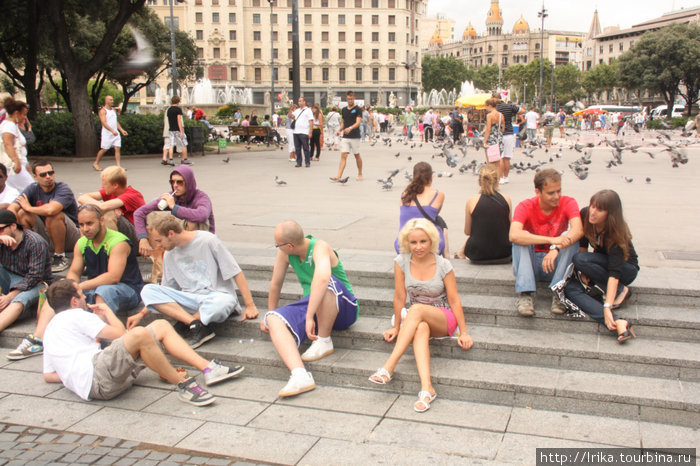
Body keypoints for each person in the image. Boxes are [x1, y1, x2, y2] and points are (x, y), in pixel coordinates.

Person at [42, 279, 244, 406]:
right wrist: (107, 311)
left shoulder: (51, 328)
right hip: (98, 376)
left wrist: (74, 377)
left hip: (97, 380)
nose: (85, 298)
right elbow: (121, 334)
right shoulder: (76, 314)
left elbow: (49, 375)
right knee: (139, 334)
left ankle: (208, 369)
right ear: (74, 302)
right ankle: (183, 385)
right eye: (81, 295)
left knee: (161, 326)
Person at [369, 219, 473, 412]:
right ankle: (427, 389)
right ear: (407, 243)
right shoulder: (401, 262)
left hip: (443, 317)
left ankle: (389, 367)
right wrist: (396, 326)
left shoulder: (443, 265)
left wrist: (464, 332)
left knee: (416, 309)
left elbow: (455, 300)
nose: (418, 247)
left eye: (423, 241)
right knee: (420, 327)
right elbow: (400, 296)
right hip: (417, 319)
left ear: (431, 241)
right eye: (413, 242)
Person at [262, 220, 358, 397]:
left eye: (278, 245)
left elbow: (322, 279)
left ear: (289, 245)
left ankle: (324, 340)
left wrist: (308, 317)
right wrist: (269, 311)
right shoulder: (285, 253)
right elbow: (276, 283)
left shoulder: (320, 246)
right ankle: (299, 374)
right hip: (313, 306)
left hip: (342, 306)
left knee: (324, 282)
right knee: (273, 318)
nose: (277, 247)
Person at [132, 214, 258, 349]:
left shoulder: (207, 240)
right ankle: (194, 323)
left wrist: (250, 305)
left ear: (171, 233)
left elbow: (235, 272)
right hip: (190, 299)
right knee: (148, 290)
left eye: (159, 240)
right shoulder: (169, 254)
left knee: (225, 302)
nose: (158, 245)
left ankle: (188, 322)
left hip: (215, 296)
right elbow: (166, 289)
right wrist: (141, 314)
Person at [562, 190, 639, 343]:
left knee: (580, 259)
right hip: (599, 266)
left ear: (610, 214)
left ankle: (621, 290)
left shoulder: (616, 234)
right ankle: (618, 322)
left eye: (600, 209)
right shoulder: (585, 215)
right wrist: (583, 273)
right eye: (592, 206)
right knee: (570, 289)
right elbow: (583, 245)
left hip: (624, 270)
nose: (593, 212)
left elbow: (614, 274)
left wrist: (607, 305)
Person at [509, 169, 583, 317]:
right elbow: (513, 234)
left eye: (559, 191)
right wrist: (550, 240)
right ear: (538, 191)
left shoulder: (568, 202)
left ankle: (558, 291)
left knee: (569, 237)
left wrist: (555, 247)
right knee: (522, 237)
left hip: (556, 264)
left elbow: (578, 230)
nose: (557, 196)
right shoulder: (525, 206)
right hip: (531, 265)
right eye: (551, 193)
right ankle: (526, 293)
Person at [134, 165, 214, 283]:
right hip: (176, 237)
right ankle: (161, 269)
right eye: (172, 181)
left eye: (180, 182)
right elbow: (139, 213)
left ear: (188, 182)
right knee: (151, 216)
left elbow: (202, 215)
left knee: (192, 221)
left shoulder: (201, 197)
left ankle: (189, 267)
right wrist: (142, 238)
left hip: (201, 241)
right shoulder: (171, 196)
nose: (175, 185)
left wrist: (173, 207)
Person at [9, 161, 80, 273]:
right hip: (47, 234)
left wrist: (29, 208)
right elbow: (12, 209)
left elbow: (51, 210)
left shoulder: (63, 188)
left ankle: (60, 257)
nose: (48, 177)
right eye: (43, 174)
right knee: (22, 214)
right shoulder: (32, 188)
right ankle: (31, 251)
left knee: (53, 215)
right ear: (35, 177)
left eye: (50, 173)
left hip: (71, 237)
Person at [0, 209, 51, 334]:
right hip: (10, 275)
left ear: (13, 226)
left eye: (1, 230)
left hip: (37, 283)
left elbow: (34, 276)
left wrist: (9, 297)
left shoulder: (35, 242)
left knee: (19, 300)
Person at [77, 166, 145, 245]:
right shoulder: (110, 192)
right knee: (88, 212)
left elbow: (102, 207)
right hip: (123, 233)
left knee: (108, 212)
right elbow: (82, 198)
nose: (102, 186)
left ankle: (111, 250)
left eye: (104, 184)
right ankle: (86, 249)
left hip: (138, 239)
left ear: (115, 185)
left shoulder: (132, 195)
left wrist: (109, 208)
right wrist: (110, 207)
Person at [457, 166, 512, 263]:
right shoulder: (506, 199)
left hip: (477, 253)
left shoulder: (471, 201)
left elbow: (467, 231)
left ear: (479, 182)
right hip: (504, 252)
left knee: (477, 233)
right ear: (497, 181)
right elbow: (510, 227)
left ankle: (461, 253)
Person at [394, 162, 448, 257]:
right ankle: (446, 256)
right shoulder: (438, 194)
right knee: (440, 221)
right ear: (431, 178)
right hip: (428, 247)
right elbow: (434, 215)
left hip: (402, 245)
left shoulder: (404, 194)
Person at [0, 97, 34, 191]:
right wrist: (16, 161)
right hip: (12, 166)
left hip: (16, 164)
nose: (24, 117)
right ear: (16, 113)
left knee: (17, 190)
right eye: (24, 114)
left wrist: (24, 163)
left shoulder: (11, 125)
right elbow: (8, 144)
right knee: (32, 188)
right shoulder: (9, 126)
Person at [331, 91, 363, 181]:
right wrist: (339, 130)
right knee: (343, 155)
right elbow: (343, 123)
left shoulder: (358, 109)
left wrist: (350, 128)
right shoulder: (344, 109)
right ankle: (339, 175)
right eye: (348, 99)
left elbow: (358, 122)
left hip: (355, 136)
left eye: (352, 99)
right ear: (346, 99)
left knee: (357, 155)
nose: (350, 100)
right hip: (345, 136)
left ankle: (360, 173)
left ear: (354, 98)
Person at [93, 95, 128, 171]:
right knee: (104, 149)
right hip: (107, 134)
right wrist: (112, 131)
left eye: (112, 100)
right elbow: (103, 122)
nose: (112, 101)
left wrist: (121, 130)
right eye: (110, 100)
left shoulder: (113, 110)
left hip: (116, 133)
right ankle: (96, 163)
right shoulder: (103, 111)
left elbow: (115, 121)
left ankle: (118, 166)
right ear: (106, 101)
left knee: (117, 148)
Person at [496, 97, 524, 184]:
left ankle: (500, 178)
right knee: (507, 158)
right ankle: (506, 177)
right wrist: (513, 113)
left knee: (500, 157)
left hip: (500, 133)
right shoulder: (510, 106)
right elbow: (522, 111)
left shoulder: (496, 108)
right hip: (509, 133)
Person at [482, 98, 504, 176]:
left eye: (486, 106)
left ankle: (491, 182)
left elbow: (488, 129)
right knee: (498, 162)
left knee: (490, 162)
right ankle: (497, 182)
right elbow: (503, 129)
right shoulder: (501, 115)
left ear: (490, 106)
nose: (486, 108)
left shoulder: (489, 115)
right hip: (499, 139)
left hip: (491, 139)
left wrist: (484, 141)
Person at [167, 96, 191, 165]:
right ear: (178, 102)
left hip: (171, 129)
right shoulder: (178, 110)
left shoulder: (169, 110)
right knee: (183, 143)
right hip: (177, 129)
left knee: (171, 144)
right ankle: (184, 159)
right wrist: (181, 131)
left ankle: (171, 159)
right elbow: (179, 121)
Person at [292, 97, 313, 168]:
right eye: (298, 101)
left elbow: (311, 121)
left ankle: (307, 162)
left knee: (306, 148)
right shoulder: (297, 110)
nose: (299, 102)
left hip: (304, 132)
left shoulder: (308, 110)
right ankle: (299, 162)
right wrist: (290, 109)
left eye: (300, 101)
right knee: (297, 148)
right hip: (296, 132)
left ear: (304, 102)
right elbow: (291, 116)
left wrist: (310, 131)